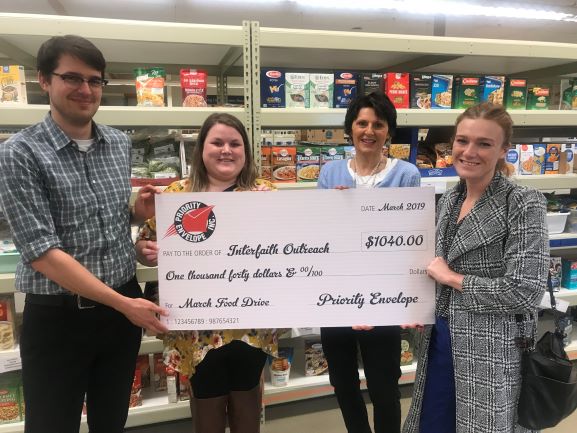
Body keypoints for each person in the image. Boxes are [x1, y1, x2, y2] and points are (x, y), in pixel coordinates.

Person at [0, 35, 168, 433]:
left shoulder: (117, 144)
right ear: (44, 80)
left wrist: (135, 212)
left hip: (120, 313)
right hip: (59, 318)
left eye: (95, 80)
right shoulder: (19, 153)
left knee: (112, 419)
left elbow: (98, 217)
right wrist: (124, 303)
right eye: (72, 78)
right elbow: (41, 251)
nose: (85, 90)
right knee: (51, 424)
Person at [402, 102, 549, 433]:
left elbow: (525, 290)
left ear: (503, 151)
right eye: (462, 140)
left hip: (491, 350)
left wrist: (453, 279)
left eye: (484, 144)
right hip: (440, 340)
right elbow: (431, 269)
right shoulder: (449, 199)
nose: (469, 152)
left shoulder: (523, 202)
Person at [136, 112, 279, 433]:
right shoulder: (175, 196)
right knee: (207, 412)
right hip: (196, 329)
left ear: (246, 151)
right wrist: (144, 252)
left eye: (234, 143)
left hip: (250, 329)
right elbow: (145, 246)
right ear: (202, 149)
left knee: (247, 409)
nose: (226, 150)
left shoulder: (265, 195)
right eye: (217, 142)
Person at [317, 91, 420, 433]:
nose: (369, 131)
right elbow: (320, 239)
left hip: (383, 300)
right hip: (337, 298)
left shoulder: (406, 175)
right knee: (343, 385)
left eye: (378, 124)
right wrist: (333, 212)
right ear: (350, 128)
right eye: (362, 123)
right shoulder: (330, 173)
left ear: (388, 131)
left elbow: (410, 240)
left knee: (384, 386)